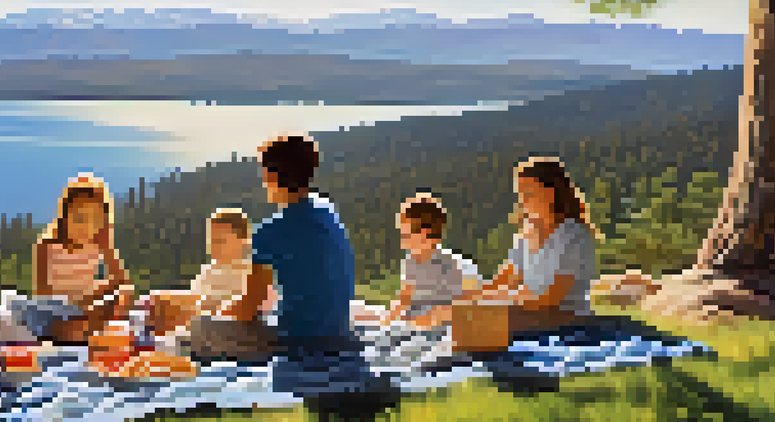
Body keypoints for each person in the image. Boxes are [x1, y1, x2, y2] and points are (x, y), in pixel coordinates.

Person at [191, 133, 360, 362]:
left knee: (200, 328)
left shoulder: (270, 232)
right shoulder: (327, 210)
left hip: (299, 342)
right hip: (338, 332)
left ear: (270, 176)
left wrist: (218, 313)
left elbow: (249, 306)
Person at [460, 156, 600, 334]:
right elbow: (505, 280)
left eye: (528, 194)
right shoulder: (526, 235)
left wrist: (500, 299)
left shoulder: (574, 235)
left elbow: (552, 299)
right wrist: (468, 297)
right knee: (464, 317)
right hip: (528, 314)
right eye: (520, 194)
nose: (522, 201)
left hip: (567, 320)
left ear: (550, 194)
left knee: (481, 324)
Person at [25, 174, 136, 344]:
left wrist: (108, 249)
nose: (87, 227)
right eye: (79, 219)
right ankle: (86, 334)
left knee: (122, 293)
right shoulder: (46, 247)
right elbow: (42, 297)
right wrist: (84, 303)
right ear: (64, 217)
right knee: (61, 323)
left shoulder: (98, 245)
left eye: (95, 220)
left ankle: (96, 332)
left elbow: (122, 281)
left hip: (90, 311)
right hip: (59, 314)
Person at [141, 208, 277, 338]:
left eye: (220, 241)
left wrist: (192, 309)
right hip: (202, 322)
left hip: (229, 328)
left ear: (243, 241)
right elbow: (195, 296)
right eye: (211, 241)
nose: (213, 247)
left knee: (175, 314)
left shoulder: (250, 272)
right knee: (156, 301)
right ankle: (151, 339)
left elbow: (238, 309)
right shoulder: (211, 270)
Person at [376, 193, 482, 329]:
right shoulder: (411, 262)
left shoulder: (456, 268)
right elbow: (403, 299)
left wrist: (426, 319)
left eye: (406, 236)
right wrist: (386, 322)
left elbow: (466, 308)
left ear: (425, 235)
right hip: (416, 328)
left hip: (446, 331)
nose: (402, 244)